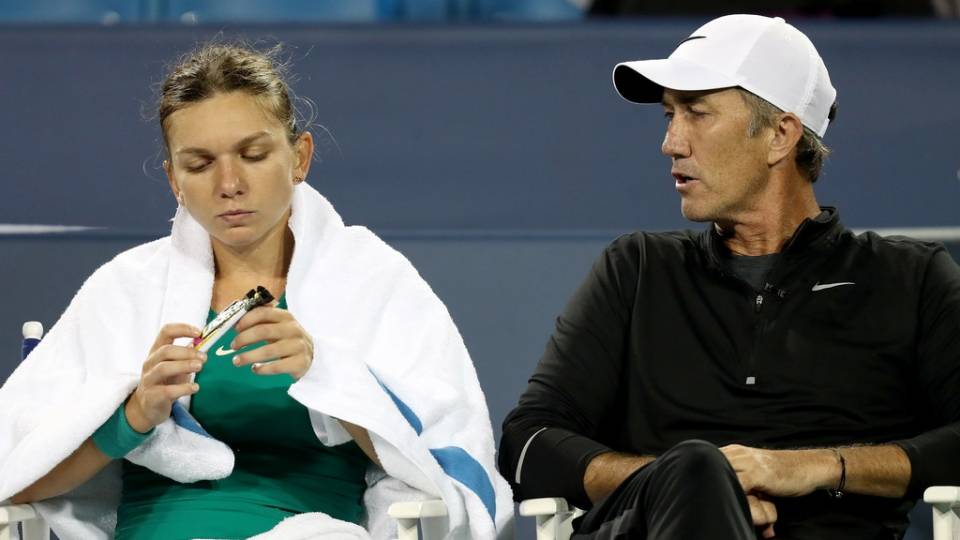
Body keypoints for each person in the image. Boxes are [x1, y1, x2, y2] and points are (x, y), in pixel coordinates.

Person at [0, 43, 513, 539]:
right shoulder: (124, 290)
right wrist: (132, 417)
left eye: (253, 154)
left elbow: (443, 471)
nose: (229, 183)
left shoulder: (373, 283)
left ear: (300, 157)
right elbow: (16, 480)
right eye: (199, 164)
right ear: (174, 180)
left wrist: (328, 375)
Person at [499, 14, 960, 540]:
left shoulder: (909, 278)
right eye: (669, 115)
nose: (671, 143)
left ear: (780, 136)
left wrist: (810, 468)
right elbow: (527, 443)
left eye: (696, 113)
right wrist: (680, 484)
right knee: (695, 467)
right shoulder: (638, 269)